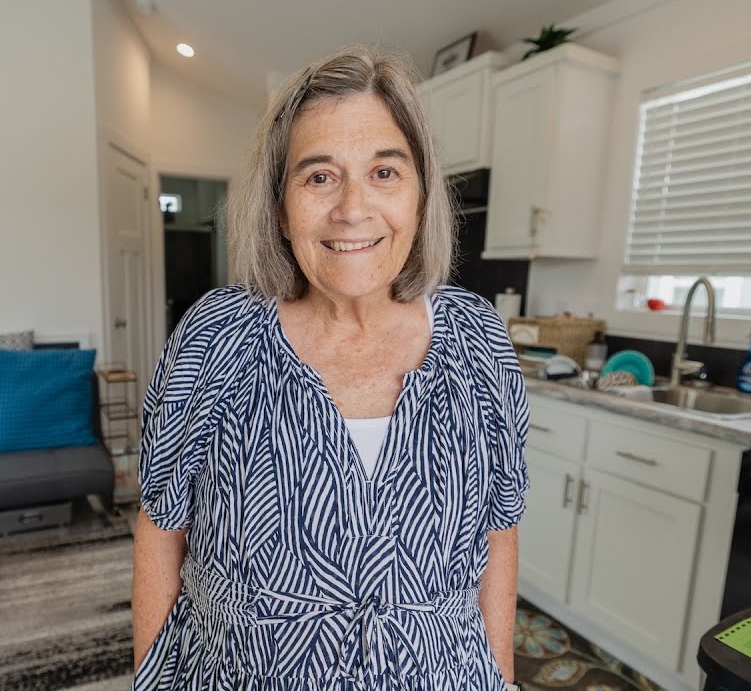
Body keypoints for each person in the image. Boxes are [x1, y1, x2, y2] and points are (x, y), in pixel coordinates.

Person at [131, 44, 529, 690]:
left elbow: (500, 531)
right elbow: (160, 523)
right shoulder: (216, 335)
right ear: (281, 209)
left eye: (385, 172)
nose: (352, 209)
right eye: (319, 176)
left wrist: (502, 679)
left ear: (421, 196)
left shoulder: (478, 335)